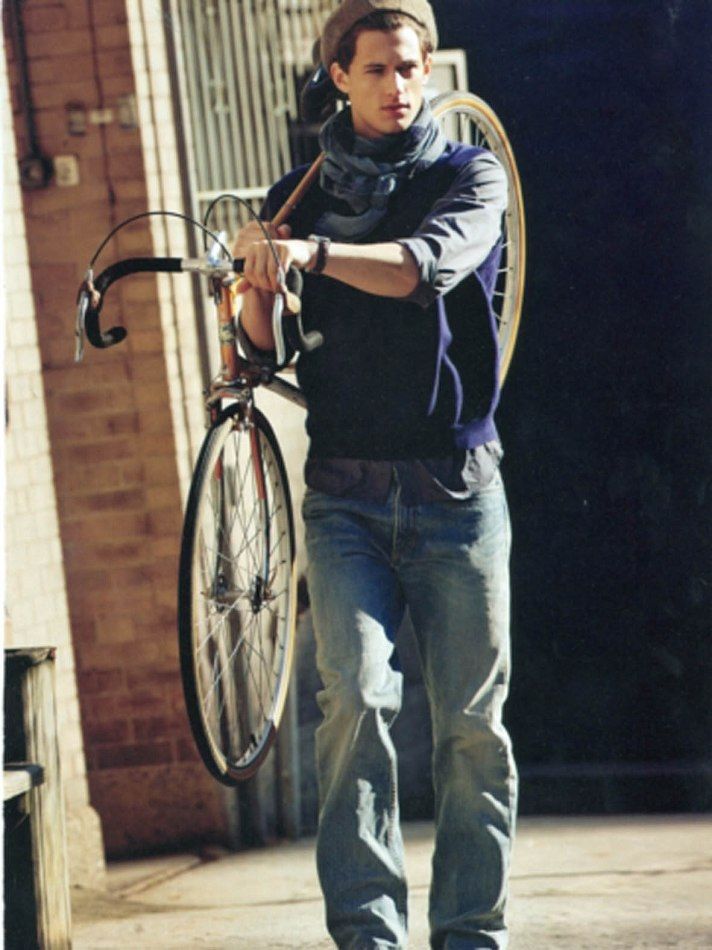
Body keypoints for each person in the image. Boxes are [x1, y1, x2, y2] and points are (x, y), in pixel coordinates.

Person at [233, 1, 517, 946]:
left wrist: (311, 254)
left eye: (410, 67)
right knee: (354, 702)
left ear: (428, 70)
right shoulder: (297, 193)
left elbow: (418, 269)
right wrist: (256, 285)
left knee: (471, 728)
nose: (399, 86)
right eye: (378, 70)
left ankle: (470, 934)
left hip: (456, 492)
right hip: (345, 499)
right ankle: (368, 936)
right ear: (339, 78)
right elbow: (259, 351)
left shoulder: (467, 175)